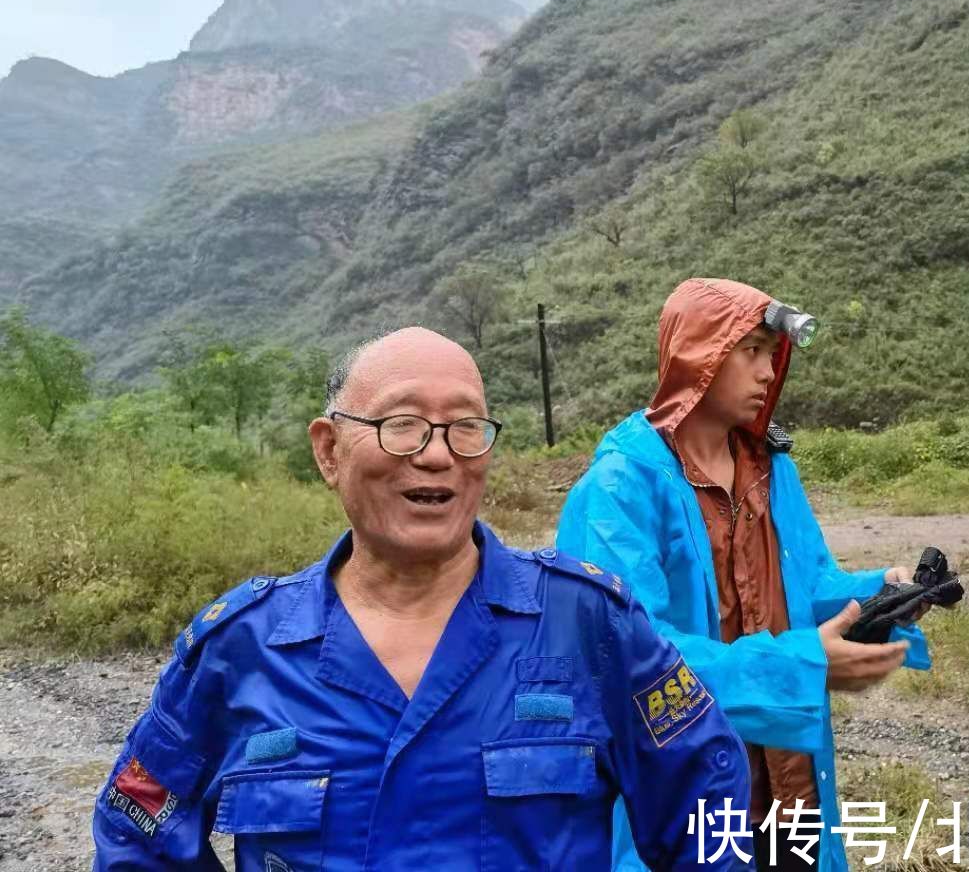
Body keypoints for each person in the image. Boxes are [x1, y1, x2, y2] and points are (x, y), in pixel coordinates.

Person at [92, 327, 748, 871]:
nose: (437, 456)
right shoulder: (242, 646)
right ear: (328, 451)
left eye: (465, 427)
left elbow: (707, 793)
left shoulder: (588, 623)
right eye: (402, 425)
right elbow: (138, 827)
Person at [557, 278, 929, 872]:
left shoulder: (770, 469)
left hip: (788, 781)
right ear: (696, 358)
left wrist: (878, 595)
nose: (766, 370)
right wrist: (799, 665)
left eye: (770, 353)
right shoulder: (622, 486)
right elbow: (629, 656)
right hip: (684, 782)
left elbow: (805, 589)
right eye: (749, 350)